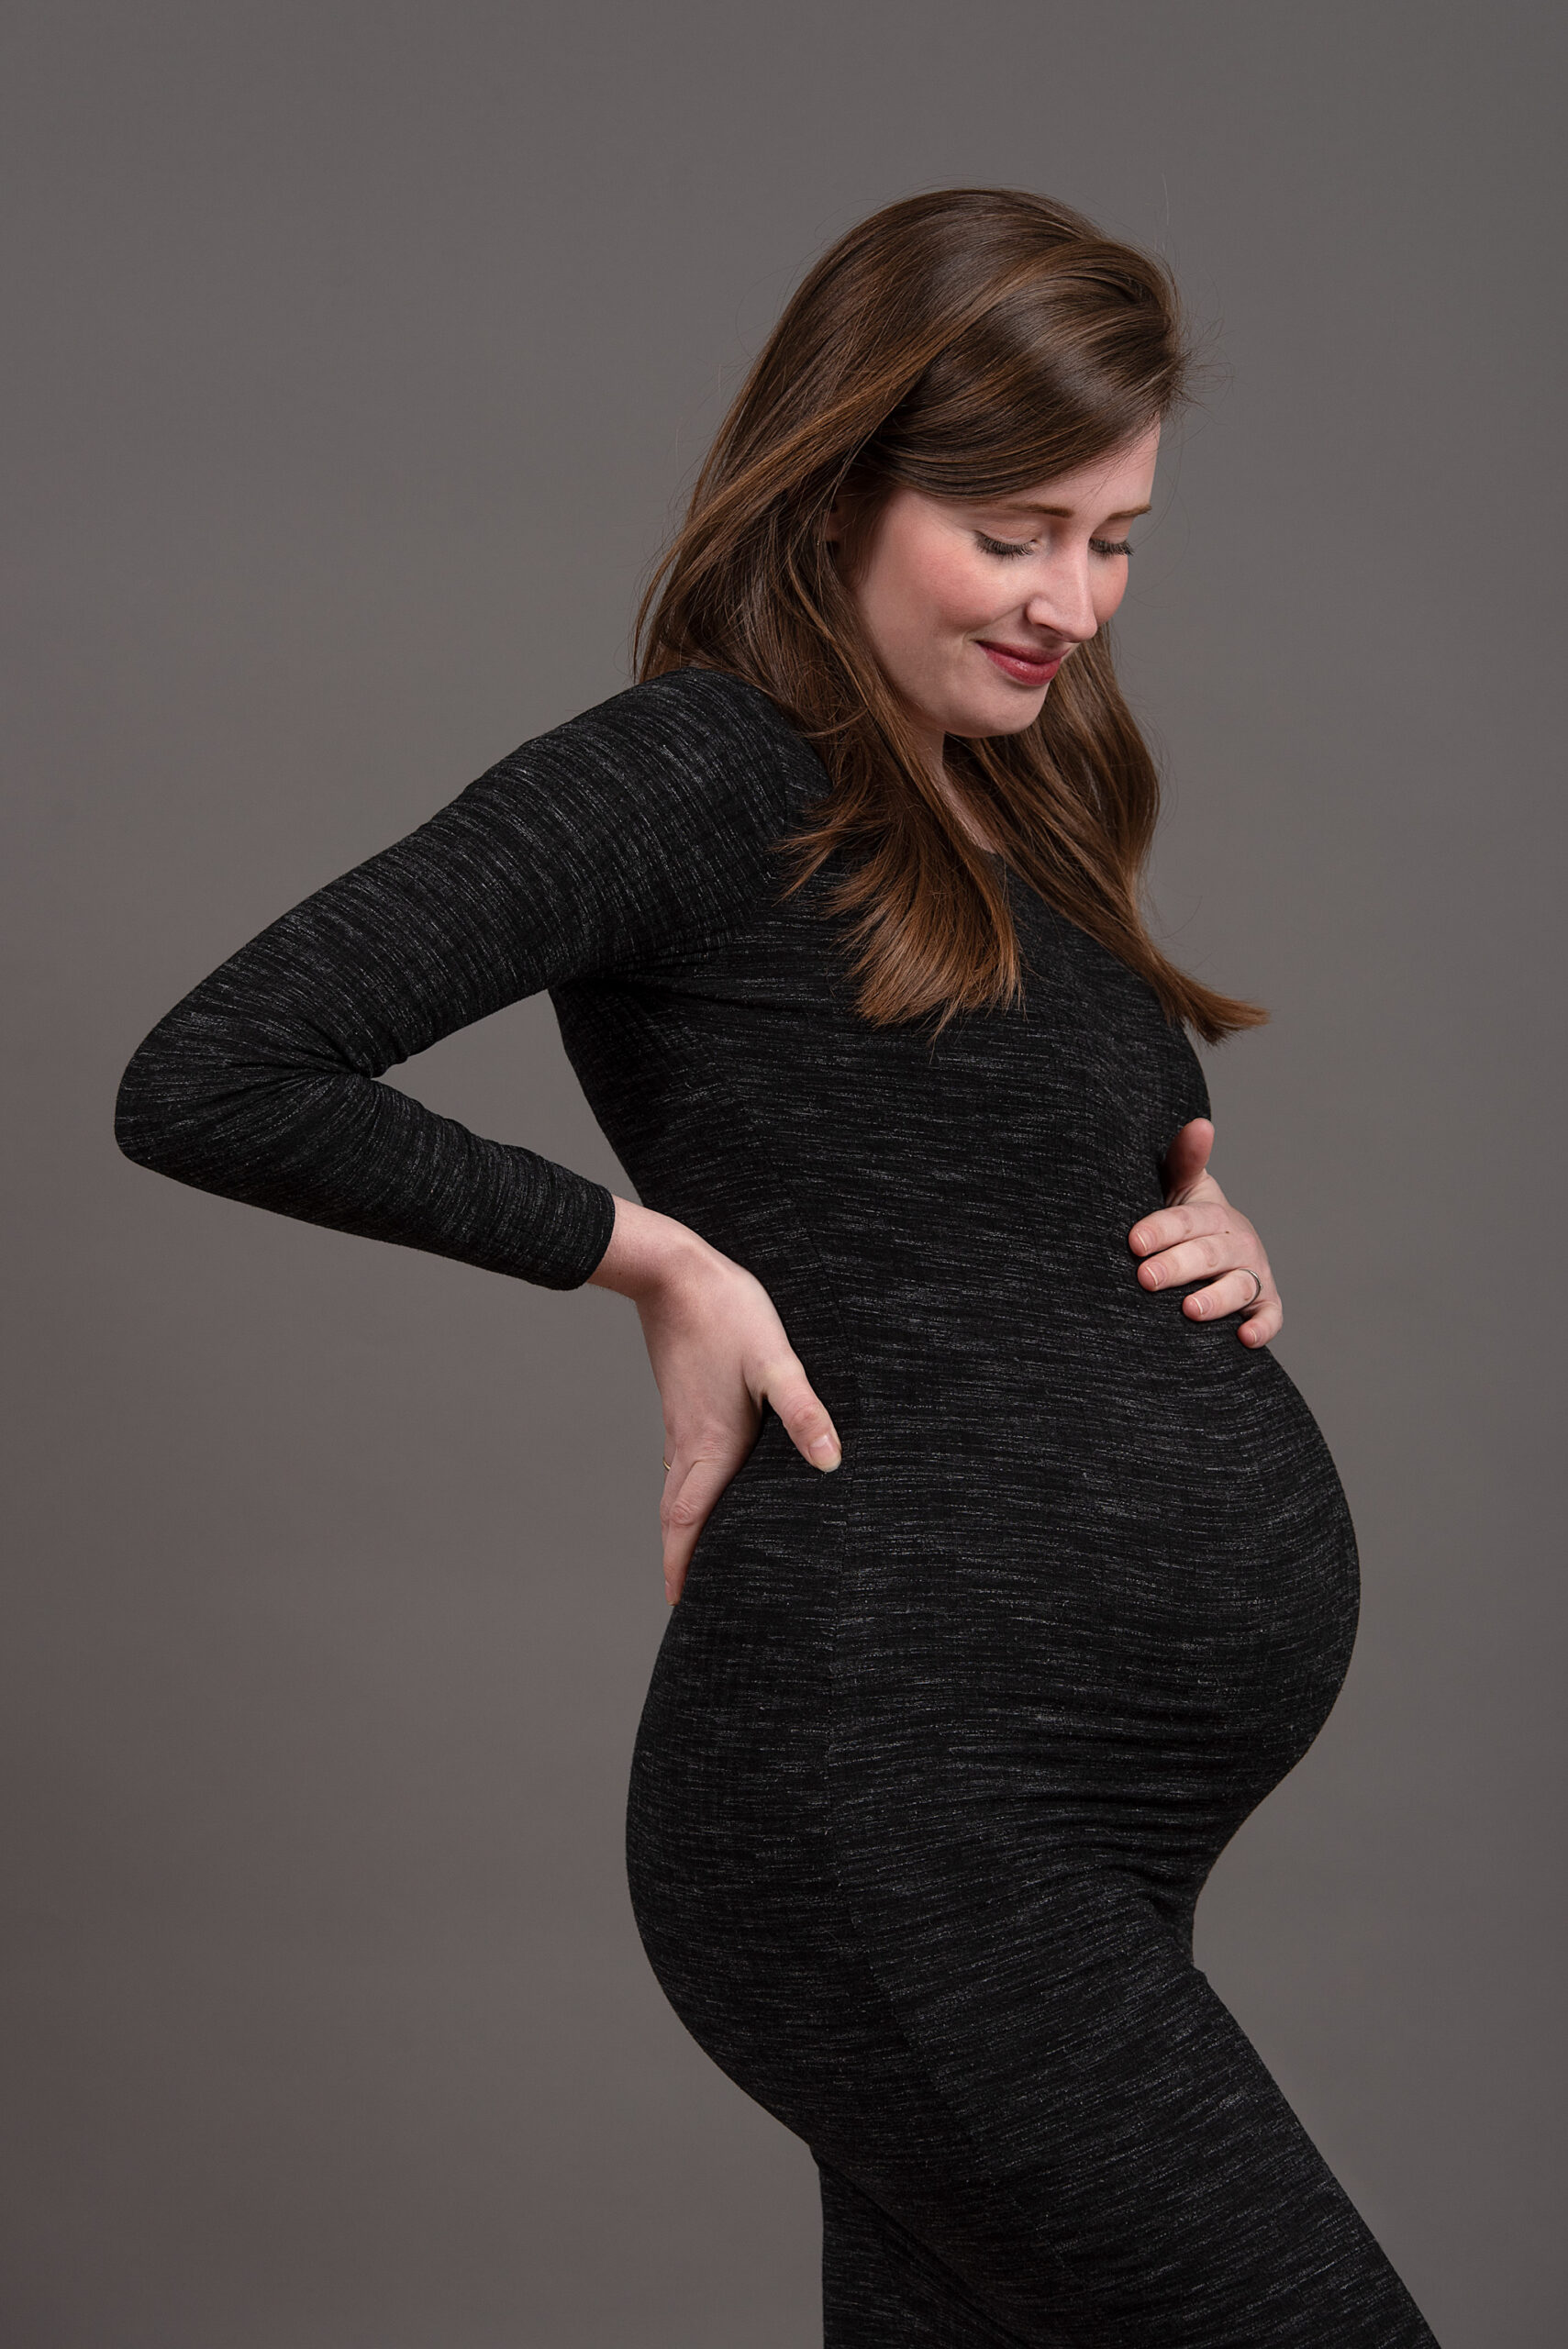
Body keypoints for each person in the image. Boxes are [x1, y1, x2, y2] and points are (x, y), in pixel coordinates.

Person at [115, 188, 1439, 2346]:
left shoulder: (1019, 799)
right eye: (1012, 531)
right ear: (838, 486)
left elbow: (963, 1181)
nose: (1073, 599)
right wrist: (648, 1259)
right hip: (901, 1805)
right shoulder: (701, 766)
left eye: (1116, 539)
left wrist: (1201, 1227)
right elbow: (216, 1071)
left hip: (1078, 1826)